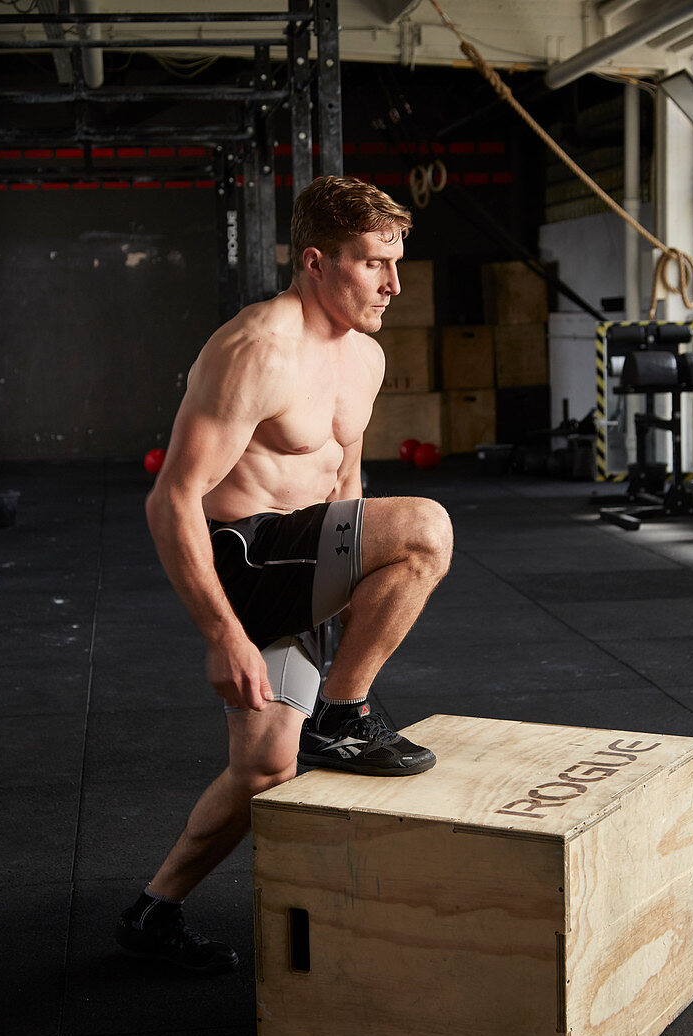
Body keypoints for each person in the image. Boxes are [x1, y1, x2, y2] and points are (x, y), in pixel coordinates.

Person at [116, 175, 454, 973]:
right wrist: (220, 636)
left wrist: (341, 606)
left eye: (395, 262)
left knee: (264, 766)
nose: (393, 284)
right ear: (314, 260)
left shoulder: (364, 359)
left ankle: (152, 909)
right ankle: (343, 714)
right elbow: (172, 501)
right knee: (427, 527)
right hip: (241, 560)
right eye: (373, 263)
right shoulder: (256, 349)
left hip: (297, 563)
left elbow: (345, 490)